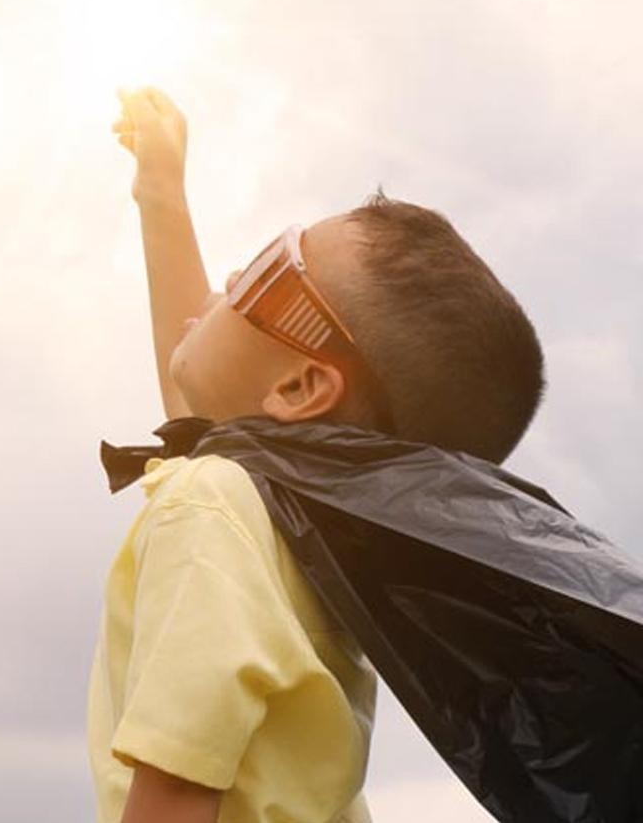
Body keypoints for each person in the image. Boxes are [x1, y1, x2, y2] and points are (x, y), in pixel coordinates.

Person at [87, 86, 546, 823]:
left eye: (271, 273)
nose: (234, 276)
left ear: (302, 386)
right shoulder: (304, 518)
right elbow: (202, 398)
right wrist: (160, 190)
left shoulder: (212, 503)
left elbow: (177, 788)